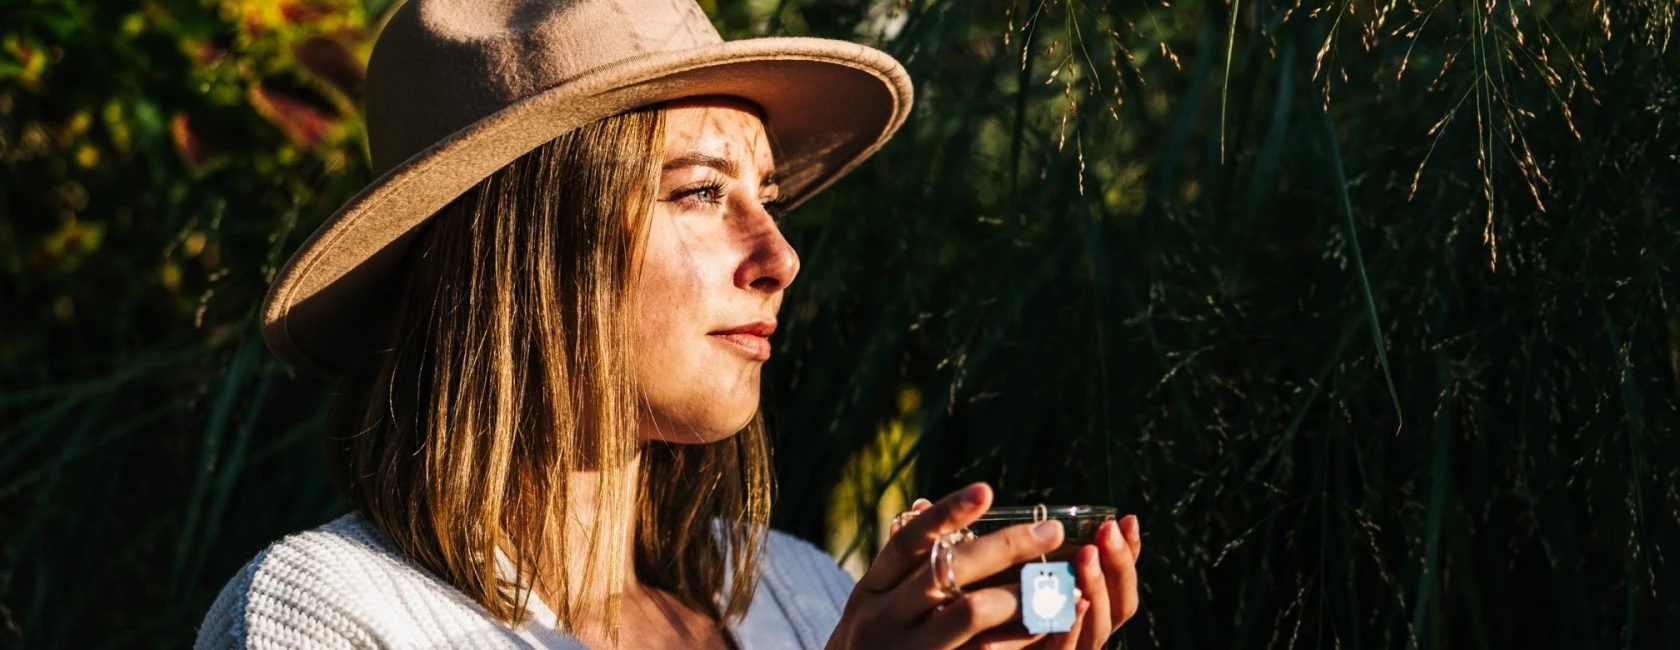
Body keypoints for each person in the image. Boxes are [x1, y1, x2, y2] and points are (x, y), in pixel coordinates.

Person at [196, 0, 1143, 648]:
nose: (780, 257)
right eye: (698, 192)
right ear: (519, 253)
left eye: (768, 197)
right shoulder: (334, 613)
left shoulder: (799, 589)